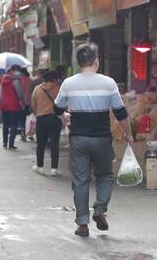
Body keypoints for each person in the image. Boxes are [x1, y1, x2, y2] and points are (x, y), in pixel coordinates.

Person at [54, 42, 133, 237]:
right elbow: (121, 112)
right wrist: (129, 134)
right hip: (102, 139)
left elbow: (57, 108)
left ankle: (82, 224)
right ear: (96, 61)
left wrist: (64, 116)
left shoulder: (68, 83)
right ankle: (100, 209)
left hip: (78, 139)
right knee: (105, 175)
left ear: (79, 62)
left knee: (80, 180)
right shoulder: (109, 83)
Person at [31, 70, 61, 176]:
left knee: (41, 144)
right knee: (54, 144)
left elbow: (33, 104)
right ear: (54, 79)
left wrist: (38, 113)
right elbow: (63, 104)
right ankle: (54, 169)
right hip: (55, 119)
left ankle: (40, 167)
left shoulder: (37, 89)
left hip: (41, 118)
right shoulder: (58, 89)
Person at [0, 65, 24, 149]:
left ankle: (5, 142)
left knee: (5, 124)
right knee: (13, 125)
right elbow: (19, 93)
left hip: (4, 105)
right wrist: (23, 102)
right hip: (14, 105)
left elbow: (1, 93)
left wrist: (0, 103)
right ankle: (11, 144)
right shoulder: (15, 80)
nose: (18, 72)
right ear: (13, 71)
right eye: (18, 71)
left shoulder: (3, 79)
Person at [18, 68, 32, 141]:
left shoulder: (19, 80)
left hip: (21, 102)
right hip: (28, 102)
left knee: (21, 118)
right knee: (27, 118)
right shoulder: (30, 80)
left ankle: (23, 133)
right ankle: (28, 132)